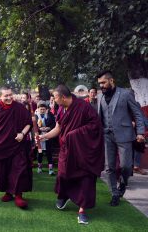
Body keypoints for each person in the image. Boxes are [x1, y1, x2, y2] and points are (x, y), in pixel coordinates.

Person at [39, 85, 104, 224]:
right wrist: (44, 136)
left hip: (84, 151)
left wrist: (74, 135)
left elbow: (96, 126)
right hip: (67, 149)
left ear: (62, 97)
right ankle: (65, 195)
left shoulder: (83, 107)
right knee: (63, 174)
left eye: (55, 98)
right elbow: (58, 128)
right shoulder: (61, 109)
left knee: (85, 179)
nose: (54, 100)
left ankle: (82, 210)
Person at [97, 71, 145, 206]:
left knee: (125, 166)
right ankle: (114, 193)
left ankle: (123, 184)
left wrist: (140, 132)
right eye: (100, 83)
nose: (101, 86)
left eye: (103, 82)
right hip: (107, 136)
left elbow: (138, 114)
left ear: (111, 81)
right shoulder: (100, 97)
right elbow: (99, 118)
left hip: (124, 135)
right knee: (109, 167)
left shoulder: (125, 94)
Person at [0, 86, 33, 209]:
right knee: (4, 170)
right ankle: (8, 192)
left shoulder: (19, 107)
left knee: (19, 170)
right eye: (5, 96)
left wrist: (22, 134)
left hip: (17, 145)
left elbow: (28, 122)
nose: (9, 97)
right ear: (0, 97)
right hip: (2, 147)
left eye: (10, 95)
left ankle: (18, 195)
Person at [35, 102, 56, 175]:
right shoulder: (35, 116)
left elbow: (54, 124)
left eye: (44, 109)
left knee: (49, 153)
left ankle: (50, 169)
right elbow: (33, 126)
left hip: (48, 136)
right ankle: (39, 167)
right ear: (38, 109)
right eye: (41, 109)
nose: (42, 111)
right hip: (39, 137)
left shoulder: (50, 115)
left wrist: (49, 128)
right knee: (39, 153)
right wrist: (39, 129)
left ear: (46, 109)